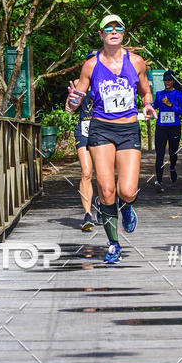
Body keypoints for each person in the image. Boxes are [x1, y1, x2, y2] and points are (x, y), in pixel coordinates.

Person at [65, 14, 156, 265]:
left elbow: (146, 91)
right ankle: (113, 243)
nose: (114, 31)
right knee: (106, 192)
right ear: (101, 34)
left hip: (128, 131)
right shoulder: (91, 66)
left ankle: (127, 207)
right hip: (101, 129)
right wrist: (72, 100)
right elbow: (76, 101)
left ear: (123, 33)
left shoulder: (136, 62)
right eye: (109, 27)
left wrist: (148, 105)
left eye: (119, 27)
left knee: (126, 191)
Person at [70, 51, 98, 231]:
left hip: (104, 130)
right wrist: (72, 99)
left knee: (104, 175)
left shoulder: (108, 82)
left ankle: (104, 204)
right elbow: (70, 108)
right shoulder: (80, 83)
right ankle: (87, 214)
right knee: (86, 172)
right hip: (84, 130)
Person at [153, 70, 182, 191]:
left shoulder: (178, 95)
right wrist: (148, 106)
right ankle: (159, 181)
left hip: (174, 127)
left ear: (173, 81)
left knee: (173, 152)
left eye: (169, 80)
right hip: (161, 127)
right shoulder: (159, 94)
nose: (167, 82)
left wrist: (171, 105)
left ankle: (172, 168)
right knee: (159, 154)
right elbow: (154, 105)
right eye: (165, 80)